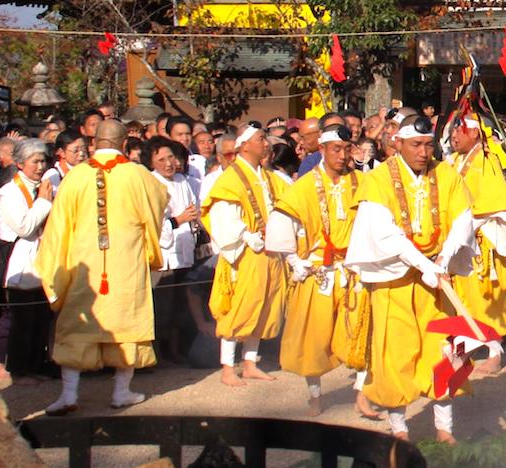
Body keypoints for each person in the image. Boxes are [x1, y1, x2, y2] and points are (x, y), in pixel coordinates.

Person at [343, 113, 475, 442]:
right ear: (396, 143)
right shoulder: (376, 179)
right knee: (395, 354)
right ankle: (399, 430)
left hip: (436, 280)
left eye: (428, 145)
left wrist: (443, 258)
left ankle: (445, 429)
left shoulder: (446, 174)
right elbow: (385, 234)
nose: (423, 151)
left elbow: (462, 218)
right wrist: (423, 265)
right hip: (394, 280)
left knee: (446, 350)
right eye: (415, 144)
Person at [36, 118, 170, 415]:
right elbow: (161, 201)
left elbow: (58, 226)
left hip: (83, 263)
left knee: (76, 324)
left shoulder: (75, 176)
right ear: (124, 143)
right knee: (127, 323)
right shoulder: (138, 175)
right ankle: (121, 392)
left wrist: (55, 265)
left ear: (94, 142)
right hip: (126, 262)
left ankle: (69, 394)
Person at [277, 121, 367, 413]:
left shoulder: (362, 182)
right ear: (323, 149)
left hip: (353, 270)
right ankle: (315, 395)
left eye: (346, 149)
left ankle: (361, 394)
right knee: (312, 339)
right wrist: (294, 261)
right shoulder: (303, 186)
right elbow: (282, 225)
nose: (342, 156)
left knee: (362, 331)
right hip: (318, 271)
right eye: (336, 149)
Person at [201, 125, 297, 386]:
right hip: (244, 253)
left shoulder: (270, 178)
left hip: (269, 251)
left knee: (263, 306)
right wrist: (246, 236)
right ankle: (227, 368)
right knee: (238, 308)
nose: (266, 143)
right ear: (244, 146)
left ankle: (250, 362)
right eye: (260, 139)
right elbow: (223, 215)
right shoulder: (230, 179)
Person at [445, 109, 506, 353]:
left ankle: (494, 350)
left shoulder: (487, 159)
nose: (453, 134)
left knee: (485, 296)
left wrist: (465, 225)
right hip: (458, 240)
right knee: (462, 295)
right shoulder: (456, 159)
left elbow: (495, 203)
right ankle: (465, 347)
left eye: (458, 129)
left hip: (481, 240)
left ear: (475, 132)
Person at [0, 140, 56, 382]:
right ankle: (18, 368)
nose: (40, 167)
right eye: (34, 162)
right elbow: (24, 227)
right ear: (19, 163)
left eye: (43, 161)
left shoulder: (43, 186)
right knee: (22, 320)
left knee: (40, 317)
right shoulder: (10, 192)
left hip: (42, 259)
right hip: (19, 262)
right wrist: (44, 202)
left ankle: (37, 364)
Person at [148, 138, 204, 366]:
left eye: (171, 157)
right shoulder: (150, 183)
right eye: (161, 159)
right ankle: (157, 353)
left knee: (180, 306)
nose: (169, 163)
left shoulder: (183, 181)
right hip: (164, 255)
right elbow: (153, 223)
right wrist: (178, 220)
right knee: (161, 306)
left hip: (185, 250)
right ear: (151, 162)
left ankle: (175, 349)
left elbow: (193, 209)